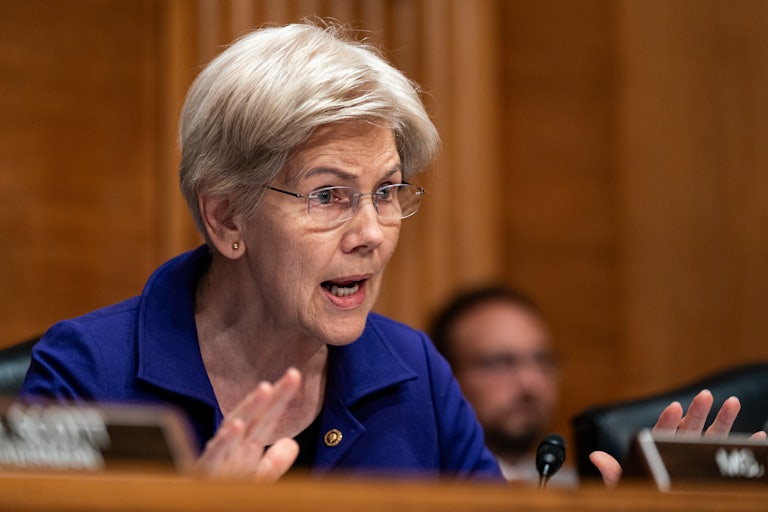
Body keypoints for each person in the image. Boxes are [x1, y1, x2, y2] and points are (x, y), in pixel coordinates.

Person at [19, 21, 759, 485]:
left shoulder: (415, 375)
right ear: (226, 218)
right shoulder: (87, 370)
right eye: (330, 195)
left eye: (386, 191)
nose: (371, 230)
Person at [429, 285, 577, 486]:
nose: (530, 382)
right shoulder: (419, 489)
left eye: (542, 360)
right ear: (447, 377)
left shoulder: (580, 492)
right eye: (500, 363)